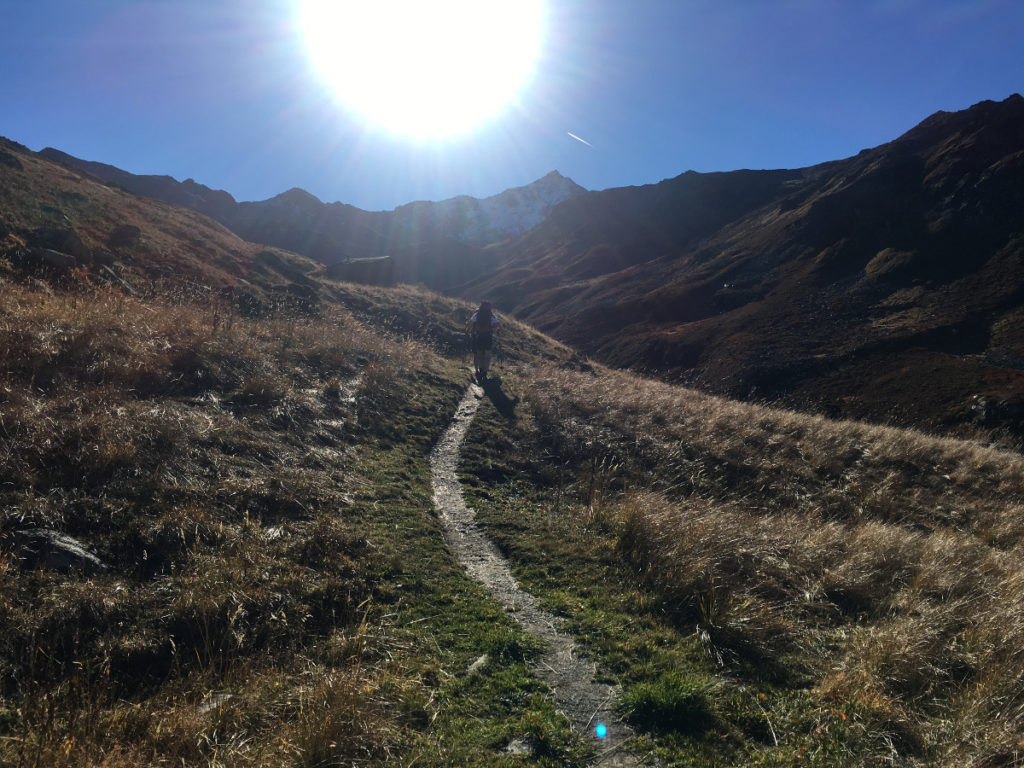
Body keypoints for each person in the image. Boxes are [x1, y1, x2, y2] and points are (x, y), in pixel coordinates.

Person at [466, 301, 499, 383]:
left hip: (478, 336)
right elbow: (497, 324)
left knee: (479, 354)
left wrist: (467, 331)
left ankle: (480, 370)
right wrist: (495, 331)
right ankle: (485, 372)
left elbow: (470, 323)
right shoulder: (491, 315)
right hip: (488, 336)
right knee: (487, 355)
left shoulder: (477, 314)